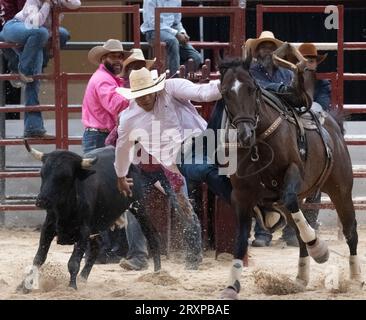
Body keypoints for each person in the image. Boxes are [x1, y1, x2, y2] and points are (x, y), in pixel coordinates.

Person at [115, 67, 222, 269]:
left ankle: (193, 256)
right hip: (158, 167)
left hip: (184, 157)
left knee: (184, 204)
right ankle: (145, 256)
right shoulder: (128, 118)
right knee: (140, 206)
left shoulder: (171, 89)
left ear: (155, 88)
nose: (145, 98)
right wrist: (121, 175)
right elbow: (121, 148)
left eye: (147, 93)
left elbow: (203, 92)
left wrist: (226, 84)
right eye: (140, 95)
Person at [0, 0, 80, 138]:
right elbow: (35, 23)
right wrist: (47, 4)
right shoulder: (33, 1)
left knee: (33, 78)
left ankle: (33, 127)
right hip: (18, 28)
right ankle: (22, 68)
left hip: (35, 35)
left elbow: (76, 3)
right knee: (41, 34)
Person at [81, 39, 131, 154]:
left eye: (120, 57)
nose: (118, 61)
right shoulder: (104, 79)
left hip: (99, 136)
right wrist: (140, 98)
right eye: (113, 57)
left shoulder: (107, 78)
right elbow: (117, 105)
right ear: (103, 59)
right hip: (100, 137)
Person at [140, 0, 202, 76]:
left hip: (171, 31)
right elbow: (153, 23)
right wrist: (176, 33)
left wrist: (182, 32)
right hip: (152, 31)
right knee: (173, 41)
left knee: (196, 57)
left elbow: (177, 22)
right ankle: (175, 78)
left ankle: (179, 76)